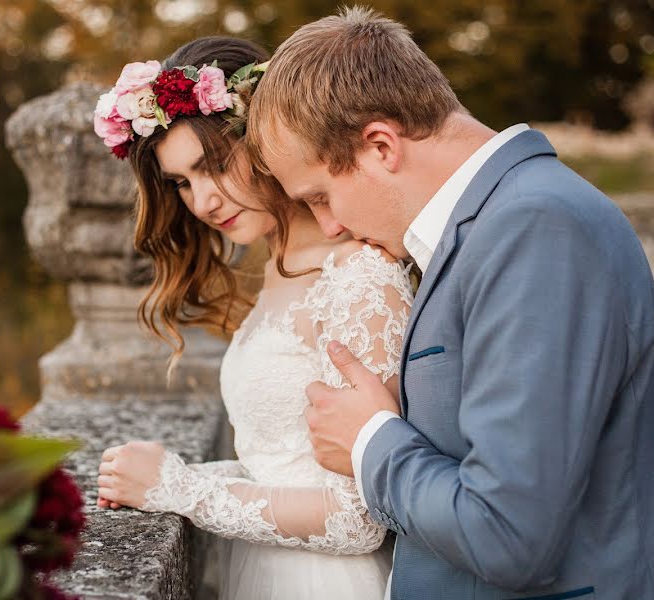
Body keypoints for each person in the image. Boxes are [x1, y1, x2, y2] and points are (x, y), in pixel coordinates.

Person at [245, 6, 654, 599]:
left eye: (322, 196)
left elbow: (508, 534)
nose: (328, 227)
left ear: (380, 146)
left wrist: (369, 442)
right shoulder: (495, 224)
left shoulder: (535, 227)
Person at [92, 37, 415, 599]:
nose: (203, 202)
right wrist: (160, 477)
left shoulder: (360, 277)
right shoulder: (276, 269)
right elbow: (282, 464)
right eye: (183, 183)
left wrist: (182, 488)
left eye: (214, 165)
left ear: (264, 139)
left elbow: (359, 517)